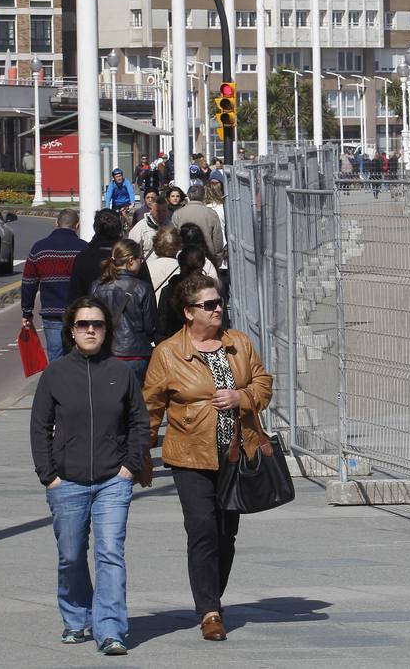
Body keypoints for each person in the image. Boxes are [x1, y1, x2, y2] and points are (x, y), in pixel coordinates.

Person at [143, 273, 273, 641]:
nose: (218, 309)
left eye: (219, 303)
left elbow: (263, 382)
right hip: (190, 456)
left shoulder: (238, 344)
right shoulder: (168, 353)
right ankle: (210, 611)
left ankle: (211, 594)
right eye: (209, 305)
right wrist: (142, 454)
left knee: (225, 533)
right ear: (188, 312)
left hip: (236, 454)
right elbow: (150, 406)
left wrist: (241, 398)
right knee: (201, 527)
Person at [30, 297, 149, 656]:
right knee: (70, 555)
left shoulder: (120, 372)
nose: (91, 330)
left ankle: (111, 629)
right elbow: (39, 428)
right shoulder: (55, 374)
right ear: (71, 330)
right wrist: (49, 476)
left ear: (106, 330)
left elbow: (139, 422)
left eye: (97, 324)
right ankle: (77, 617)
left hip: (113, 480)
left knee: (110, 552)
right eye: (83, 325)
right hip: (67, 482)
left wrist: (129, 466)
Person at [21, 209, 89, 362]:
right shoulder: (83, 248)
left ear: (56, 224)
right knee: (79, 358)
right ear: (77, 226)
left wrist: (27, 312)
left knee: (56, 358)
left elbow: (29, 282)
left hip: (51, 313)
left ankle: (57, 385)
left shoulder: (39, 248)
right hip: (78, 314)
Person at [90, 240, 159, 385]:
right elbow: (150, 326)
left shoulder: (97, 286)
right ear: (131, 260)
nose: (141, 262)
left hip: (106, 351)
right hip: (136, 353)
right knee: (135, 400)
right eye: (140, 258)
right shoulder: (143, 287)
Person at [158, 245, 216, 338]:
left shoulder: (169, 290)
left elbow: (162, 324)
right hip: (205, 340)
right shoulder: (210, 289)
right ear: (203, 263)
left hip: (175, 344)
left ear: (180, 263)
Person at [68, 209, 124, 303]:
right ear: (119, 228)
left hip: (92, 313)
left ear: (95, 228)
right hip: (127, 315)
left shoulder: (83, 258)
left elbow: (75, 298)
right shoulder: (130, 257)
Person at [172, 183, 227, 265]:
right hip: (207, 257)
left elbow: (174, 237)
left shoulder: (178, 214)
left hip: (185, 257)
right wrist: (218, 257)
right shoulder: (211, 213)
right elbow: (217, 238)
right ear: (203, 196)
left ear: (189, 196)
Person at [129, 189, 170, 257]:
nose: (161, 214)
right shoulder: (140, 227)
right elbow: (131, 251)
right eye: (158, 211)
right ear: (151, 209)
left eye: (164, 211)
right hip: (148, 265)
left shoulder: (170, 226)